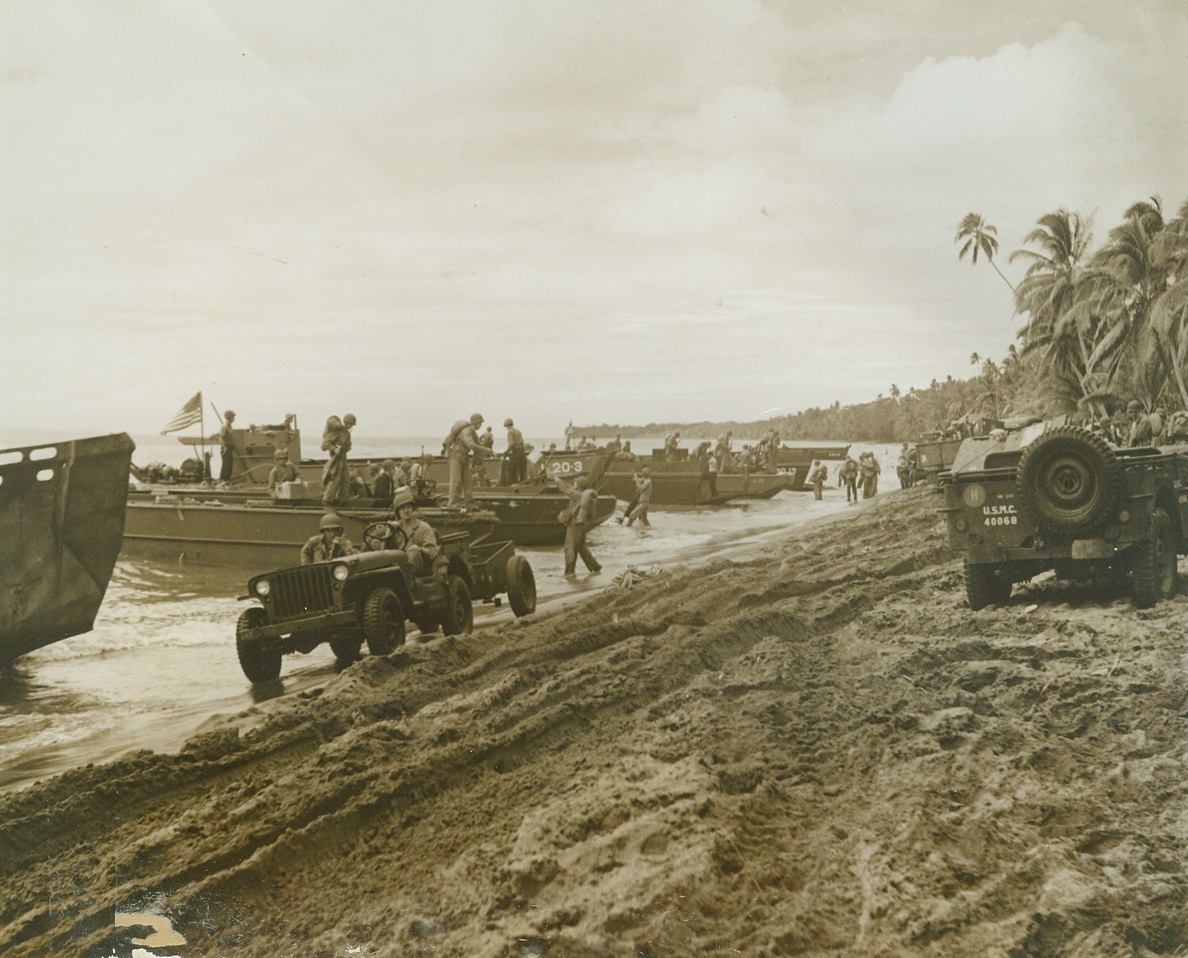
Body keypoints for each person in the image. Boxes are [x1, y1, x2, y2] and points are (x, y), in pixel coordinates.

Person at [386, 486, 440, 576]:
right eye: (402, 508)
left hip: (420, 571)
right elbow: (386, 551)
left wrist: (420, 549)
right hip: (398, 568)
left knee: (413, 552)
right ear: (398, 512)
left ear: (413, 509)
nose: (406, 511)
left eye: (408, 507)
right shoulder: (394, 528)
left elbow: (433, 552)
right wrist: (391, 532)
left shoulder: (424, 527)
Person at [556, 475, 602, 577]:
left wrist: (557, 480)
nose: (574, 484)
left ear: (579, 485)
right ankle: (595, 567)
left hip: (574, 524)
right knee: (581, 547)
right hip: (583, 524)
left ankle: (570, 572)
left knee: (570, 547)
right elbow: (568, 487)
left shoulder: (576, 495)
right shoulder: (584, 496)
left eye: (576, 482)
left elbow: (565, 489)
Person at [443, 412, 487, 509]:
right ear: (476, 423)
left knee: (468, 481)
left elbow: (478, 444)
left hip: (464, 457)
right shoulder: (466, 431)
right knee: (456, 481)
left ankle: (469, 503)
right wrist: (486, 450)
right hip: (456, 456)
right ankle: (452, 504)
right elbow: (471, 445)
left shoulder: (473, 433)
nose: (481, 425)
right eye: (480, 422)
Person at [321, 413, 356, 506]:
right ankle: (327, 500)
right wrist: (334, 448)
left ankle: (342, 501)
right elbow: (325, 443)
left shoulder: (347, 433)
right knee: (335, 478)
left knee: (345, 480)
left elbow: (348, 445)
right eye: (350, 424)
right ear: (346, 423)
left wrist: (347, 447)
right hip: (335, 458)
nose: (351, 426)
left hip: (343, 457)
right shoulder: (337, 431)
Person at [504, 418, 528, 483]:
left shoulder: (510, 432)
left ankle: (514, 482)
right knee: (521, 467)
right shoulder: (518, 431)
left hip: (517, 450)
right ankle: (522, 481)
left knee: (510, 466)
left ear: (506, 425)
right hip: (522, 450)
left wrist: (506, 452)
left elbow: (511, 443)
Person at [218, 410, 237, 484]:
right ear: (229, 417)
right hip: (227, 447)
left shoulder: (230, 426)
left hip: (230, 447)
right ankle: (223, 480)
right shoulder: (225, 427)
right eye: (233, 416)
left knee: (229, 464)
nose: (234, 418)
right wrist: (224, 447)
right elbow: (220, 437)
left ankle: (227, 479)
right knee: (226, 464)